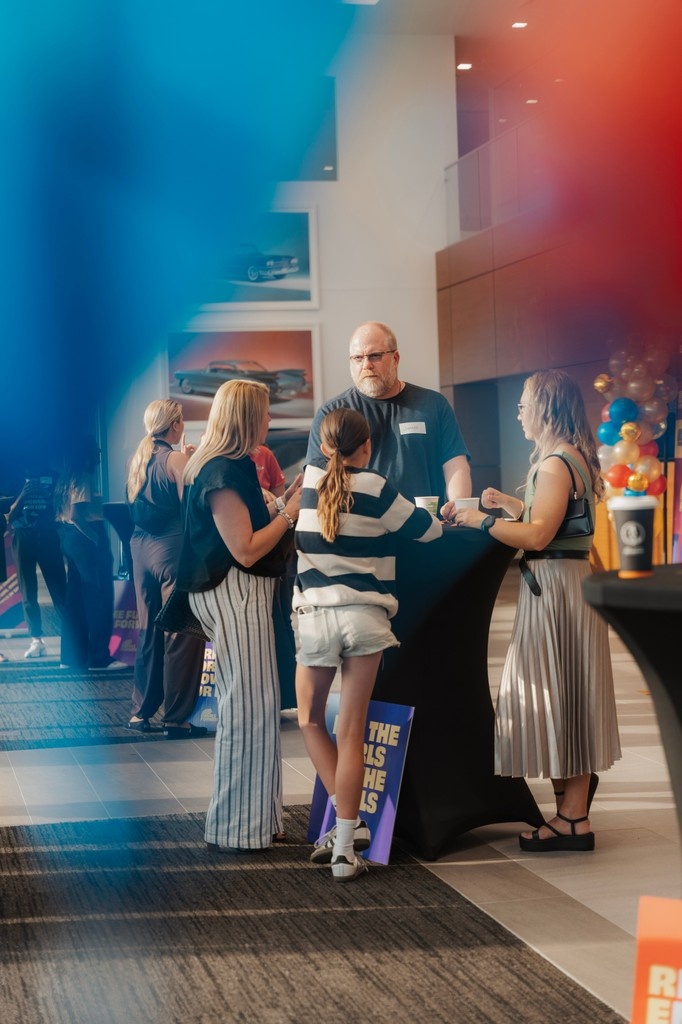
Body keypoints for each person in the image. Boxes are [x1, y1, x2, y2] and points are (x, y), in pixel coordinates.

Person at [447, 369, 621, 852]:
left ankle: (571, 819)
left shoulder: (553, 464)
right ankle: (572, 807)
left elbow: (540, 535)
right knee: (568, 694)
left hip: (555, 588)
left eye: (524, 404)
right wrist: (507, 504)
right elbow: (557, 521)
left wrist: (481, 520)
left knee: (557, 695)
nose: (518, 412)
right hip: (565, 585)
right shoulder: (569, 458)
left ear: (545, 407)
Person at [294, 408, 442, 881]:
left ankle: (346, 817)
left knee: (310, 719)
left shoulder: (308, 482)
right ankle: (344, 847)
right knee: (352, 733)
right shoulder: (379, 488)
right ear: (368, 447)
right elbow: (429, 530)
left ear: (323, 443)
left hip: (316, 618)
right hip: (366, 620)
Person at [175, 379, 302, 851]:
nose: (270, 420)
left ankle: (260, 821)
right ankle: (235, 828)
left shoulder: (225, 465)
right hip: (234, 593)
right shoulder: (223, 470)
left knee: (258, 708)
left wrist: (280, 503)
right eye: (265, 413)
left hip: (238, 594)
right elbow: (246, 550)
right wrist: (289, 510)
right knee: (245, 712)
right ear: (248, 417)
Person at [306, 321, 472, 506]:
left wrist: (459, 507)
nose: (366, 365)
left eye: (375, 356)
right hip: (360, 529)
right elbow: (317, 482)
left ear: (396, 358)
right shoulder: (332, 414)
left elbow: (455, 464)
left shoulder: (433, 404)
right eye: (358, 358)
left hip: (425, 528)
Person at [126, 400, 206, 736]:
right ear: (174, 425)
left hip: (141, 551)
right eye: (182, 420)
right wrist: (192, 460)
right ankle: (176, 718)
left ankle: (139, 712)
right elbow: (191, 509)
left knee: (148, 632)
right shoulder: (176, 459)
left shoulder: (138, 458)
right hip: (171, 551)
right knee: (181, 632)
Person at [55, 435, 126, 671]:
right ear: (86, 453)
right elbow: (77, 515)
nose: (99, 453)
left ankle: (71, 657)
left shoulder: (66, 478)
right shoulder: (83, 477)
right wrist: (95, 537)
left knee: (74, 598)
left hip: (68, 537)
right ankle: (99, 656)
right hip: (85, 537)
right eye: (95, 450)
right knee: (99, 596)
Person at [7, 463, 66, 659]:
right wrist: (23, 495)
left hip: (48, 535)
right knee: (28, 591)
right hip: (23, 536)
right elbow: (9, 516)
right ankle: (36, 640)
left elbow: (62, 506)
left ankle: (72, 637)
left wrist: (45, 494)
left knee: (59, 590)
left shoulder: (53, 475)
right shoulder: (14, 478)